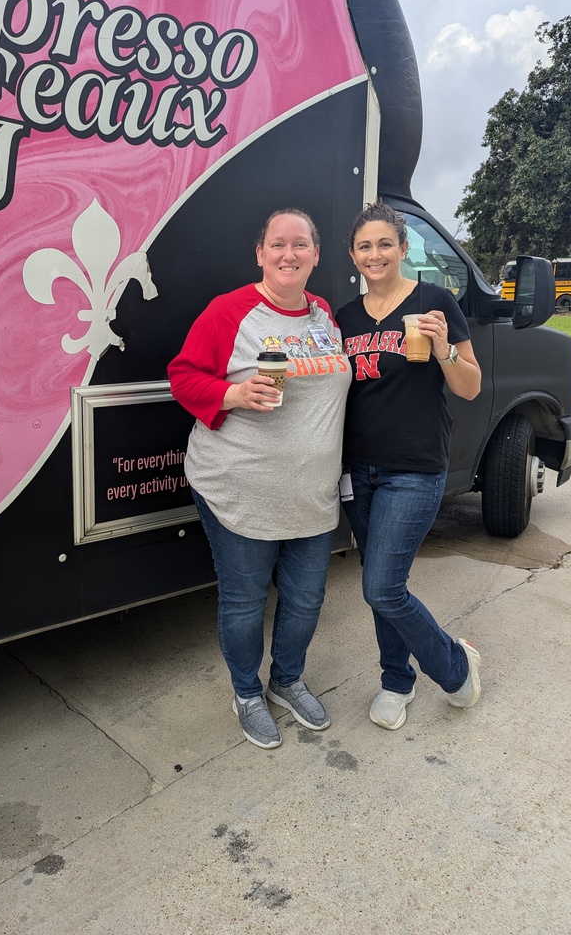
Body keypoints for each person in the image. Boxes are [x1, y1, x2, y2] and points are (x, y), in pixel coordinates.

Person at [168, 209, 351, 748]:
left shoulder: (323, 316)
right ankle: (247, 692)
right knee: (245, 602)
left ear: (316, 255)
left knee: (306, 599)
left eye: (300, 244)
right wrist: (233, 393)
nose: (288, 254)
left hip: (312, 493)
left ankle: (287, 681)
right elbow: (182, 375)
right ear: (260, 254)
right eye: (277, 244)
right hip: (240, 489)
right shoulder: (229, 311)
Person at [336, 200, 483, 731]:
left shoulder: (434, 301)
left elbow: (470, 386)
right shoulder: (344, 318)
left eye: (384, 244)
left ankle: (454, 666)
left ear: (402, 248)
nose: (374, 254)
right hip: (358, 469)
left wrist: (445, 349)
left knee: (381, 587)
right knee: (384, 583)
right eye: (364, 246)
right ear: (352, 255)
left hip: (415, 467)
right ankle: (396, 681)